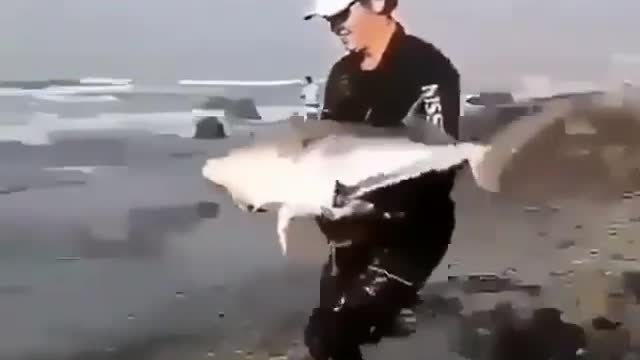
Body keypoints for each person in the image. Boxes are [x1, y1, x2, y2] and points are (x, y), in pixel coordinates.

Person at [302, 0, 461, 359]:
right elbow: (325, 149)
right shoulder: (342, 74)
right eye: (329, 20)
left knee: (331, 336)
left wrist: (377, 205)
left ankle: (392, 307)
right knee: (325, 333)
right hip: (350, 234)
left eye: (342, 15)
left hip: (412, 234)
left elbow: (442, 161)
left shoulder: (428, 68)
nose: (335, 27)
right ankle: (389, 315)